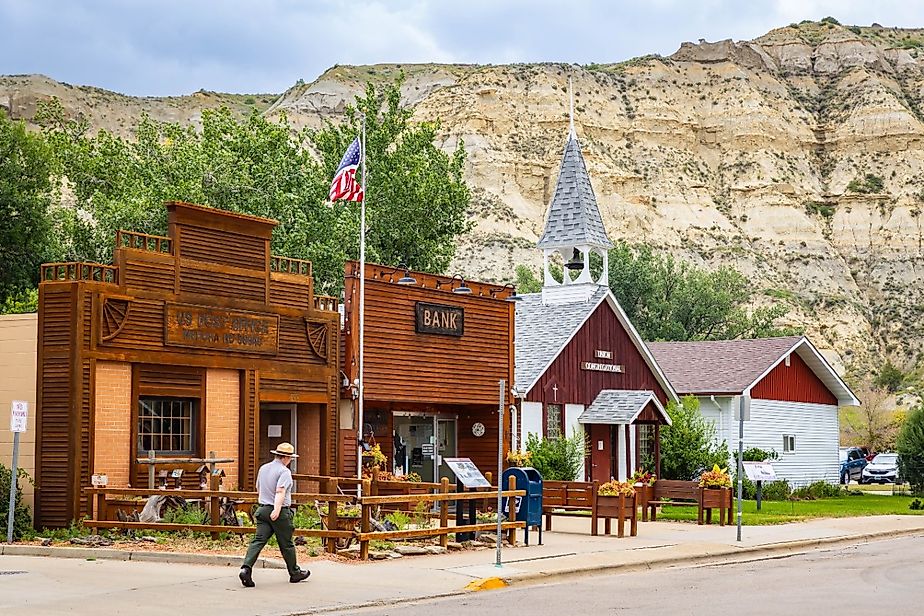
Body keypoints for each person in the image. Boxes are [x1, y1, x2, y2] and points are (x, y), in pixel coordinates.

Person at [239, 442, 310, 587]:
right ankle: (295, 572)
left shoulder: (263, 468)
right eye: (290, 459)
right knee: (287, 543)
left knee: (258, 540)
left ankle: (246, 568)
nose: (290, 462)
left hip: (262, 508)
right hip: (279, 511)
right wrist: (276, 510)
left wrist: (265, 502)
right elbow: (280, 491)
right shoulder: (284, 472)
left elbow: (259, 487)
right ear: (286, 458)